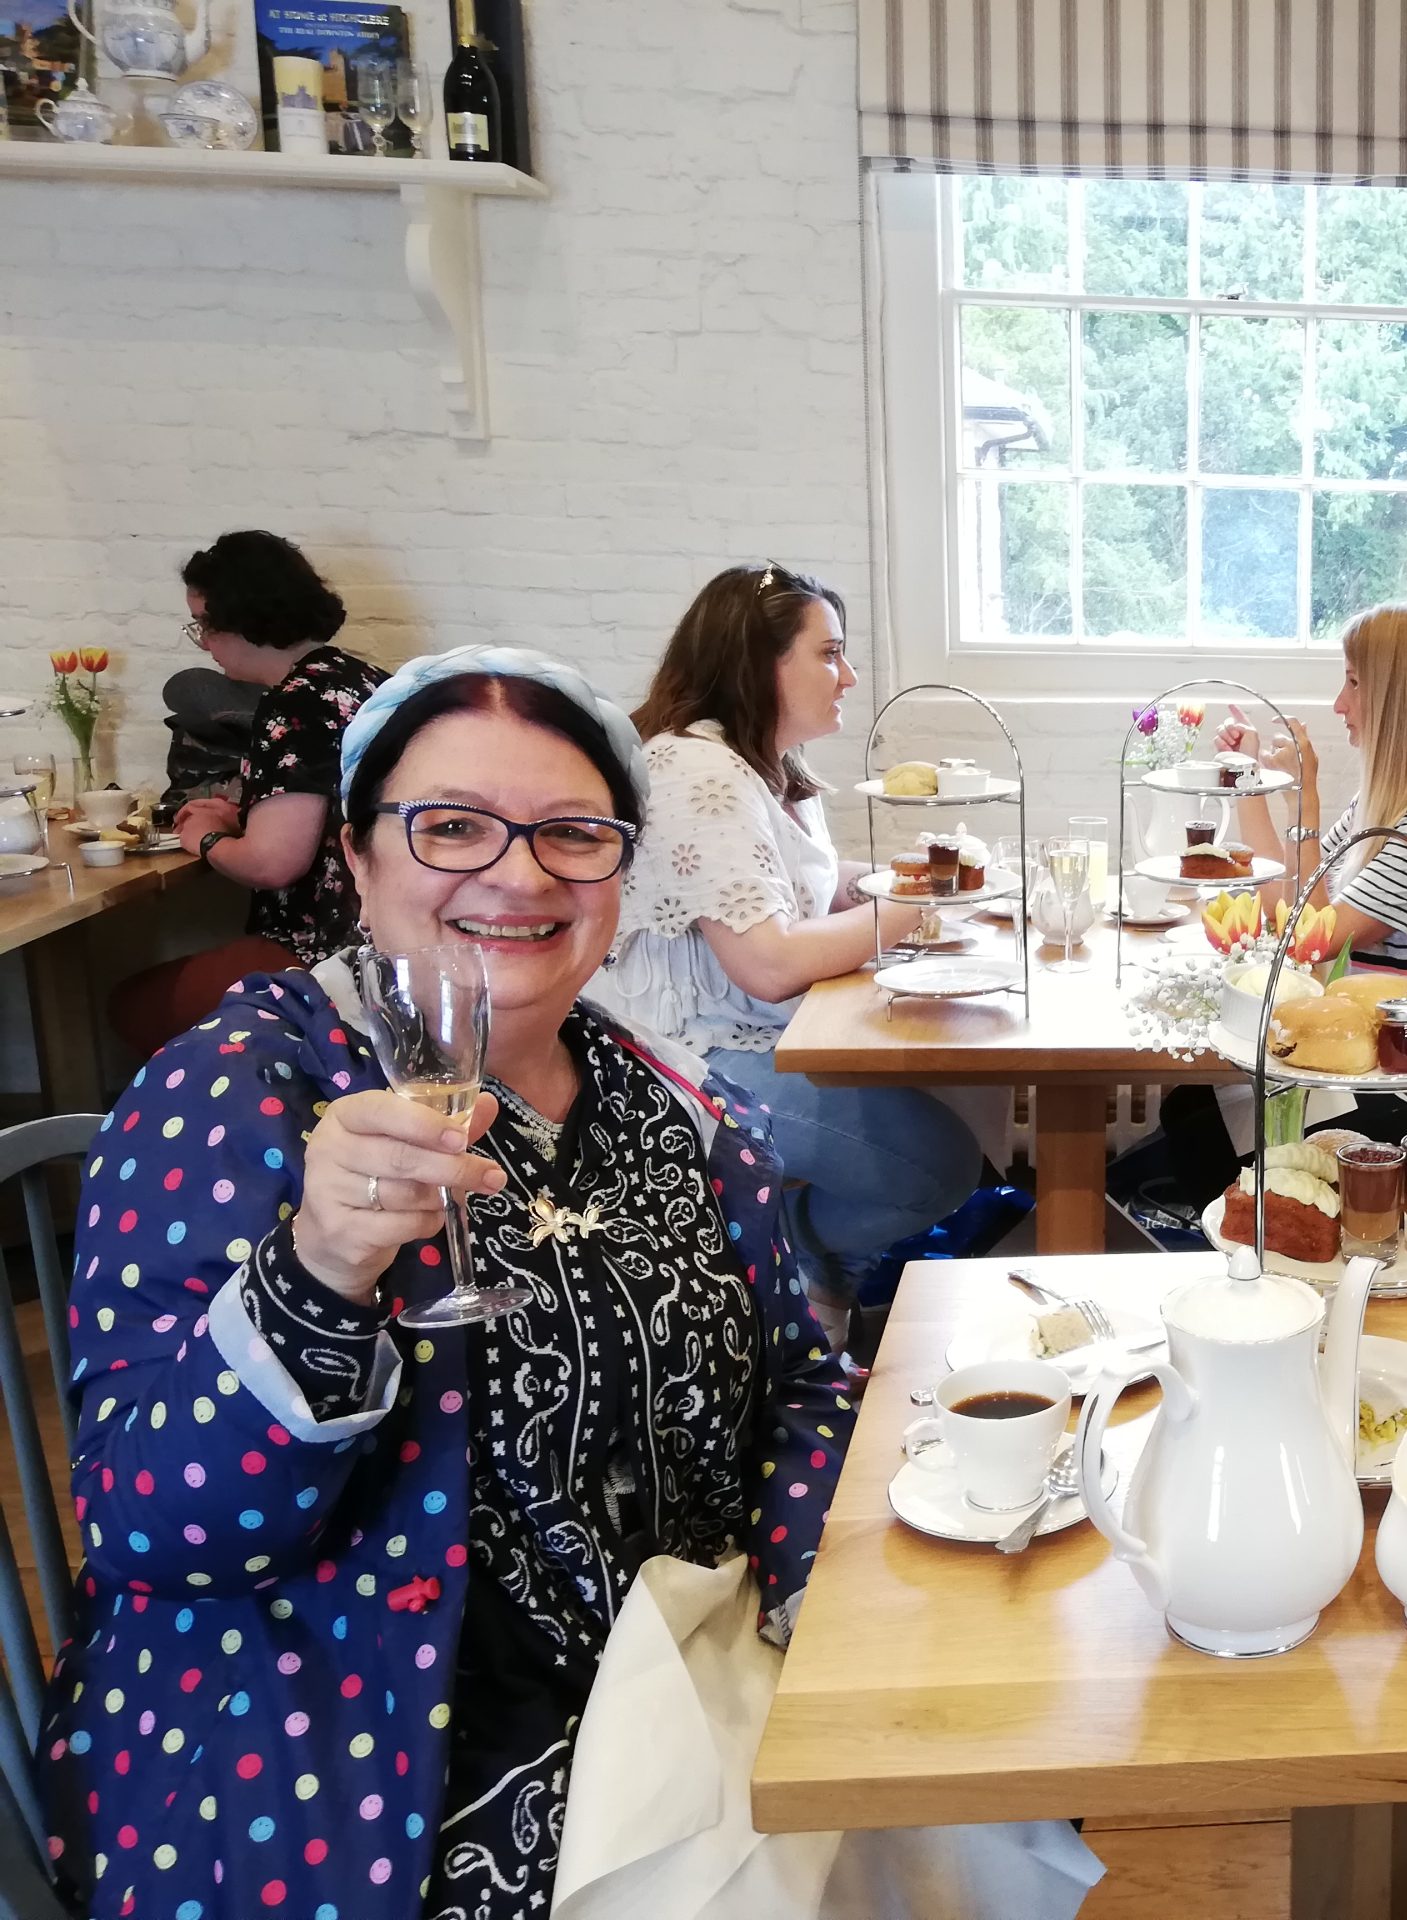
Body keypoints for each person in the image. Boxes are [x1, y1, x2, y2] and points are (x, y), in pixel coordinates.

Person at [39, 647, 854, 1920]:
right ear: (357, 859)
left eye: (573, 834)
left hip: (681, 1668)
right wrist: (316, 1277)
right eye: (453, 827)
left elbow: (803, 1379)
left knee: (967, 1769)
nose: (520, 875)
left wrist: (817, 1595)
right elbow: (157, 1535)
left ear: (621, 871)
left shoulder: (669, 1102)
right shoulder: (236, 1092)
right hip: (353, 1745)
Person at [592, 563, 983, 1318]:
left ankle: (814, 1279)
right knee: (939, 1167)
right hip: (685, 1058)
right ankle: (801, 1259)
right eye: (829, 654)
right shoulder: (694, 770)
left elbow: (807, 885)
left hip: (753, 1034)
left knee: (958, 1096)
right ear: (757, 661)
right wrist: (916, 901)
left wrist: (922, 875)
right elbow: (768, 964)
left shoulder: (760, 761)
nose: (849, 676)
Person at [1209, 600, 1407, 1143]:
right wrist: (1250, 781)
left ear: (1400, 698)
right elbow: (1287, 909)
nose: (1338, 704)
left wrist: (1305, 798)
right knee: (1194, 1112)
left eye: (1353, 683)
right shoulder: (1390, 802)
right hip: (1383, 1063)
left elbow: (1312, 939)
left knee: (1202, 1131)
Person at [113, 530, 386, 1053]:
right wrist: (247, 818)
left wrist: (206, 838)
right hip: (382, 936)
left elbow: (272, 864)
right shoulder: (357, 679)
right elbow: (329, 811)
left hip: (327, 953)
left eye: (204, 625)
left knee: (133, 1007)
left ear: (243, 619)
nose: (204, 643)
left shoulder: (296, 704)